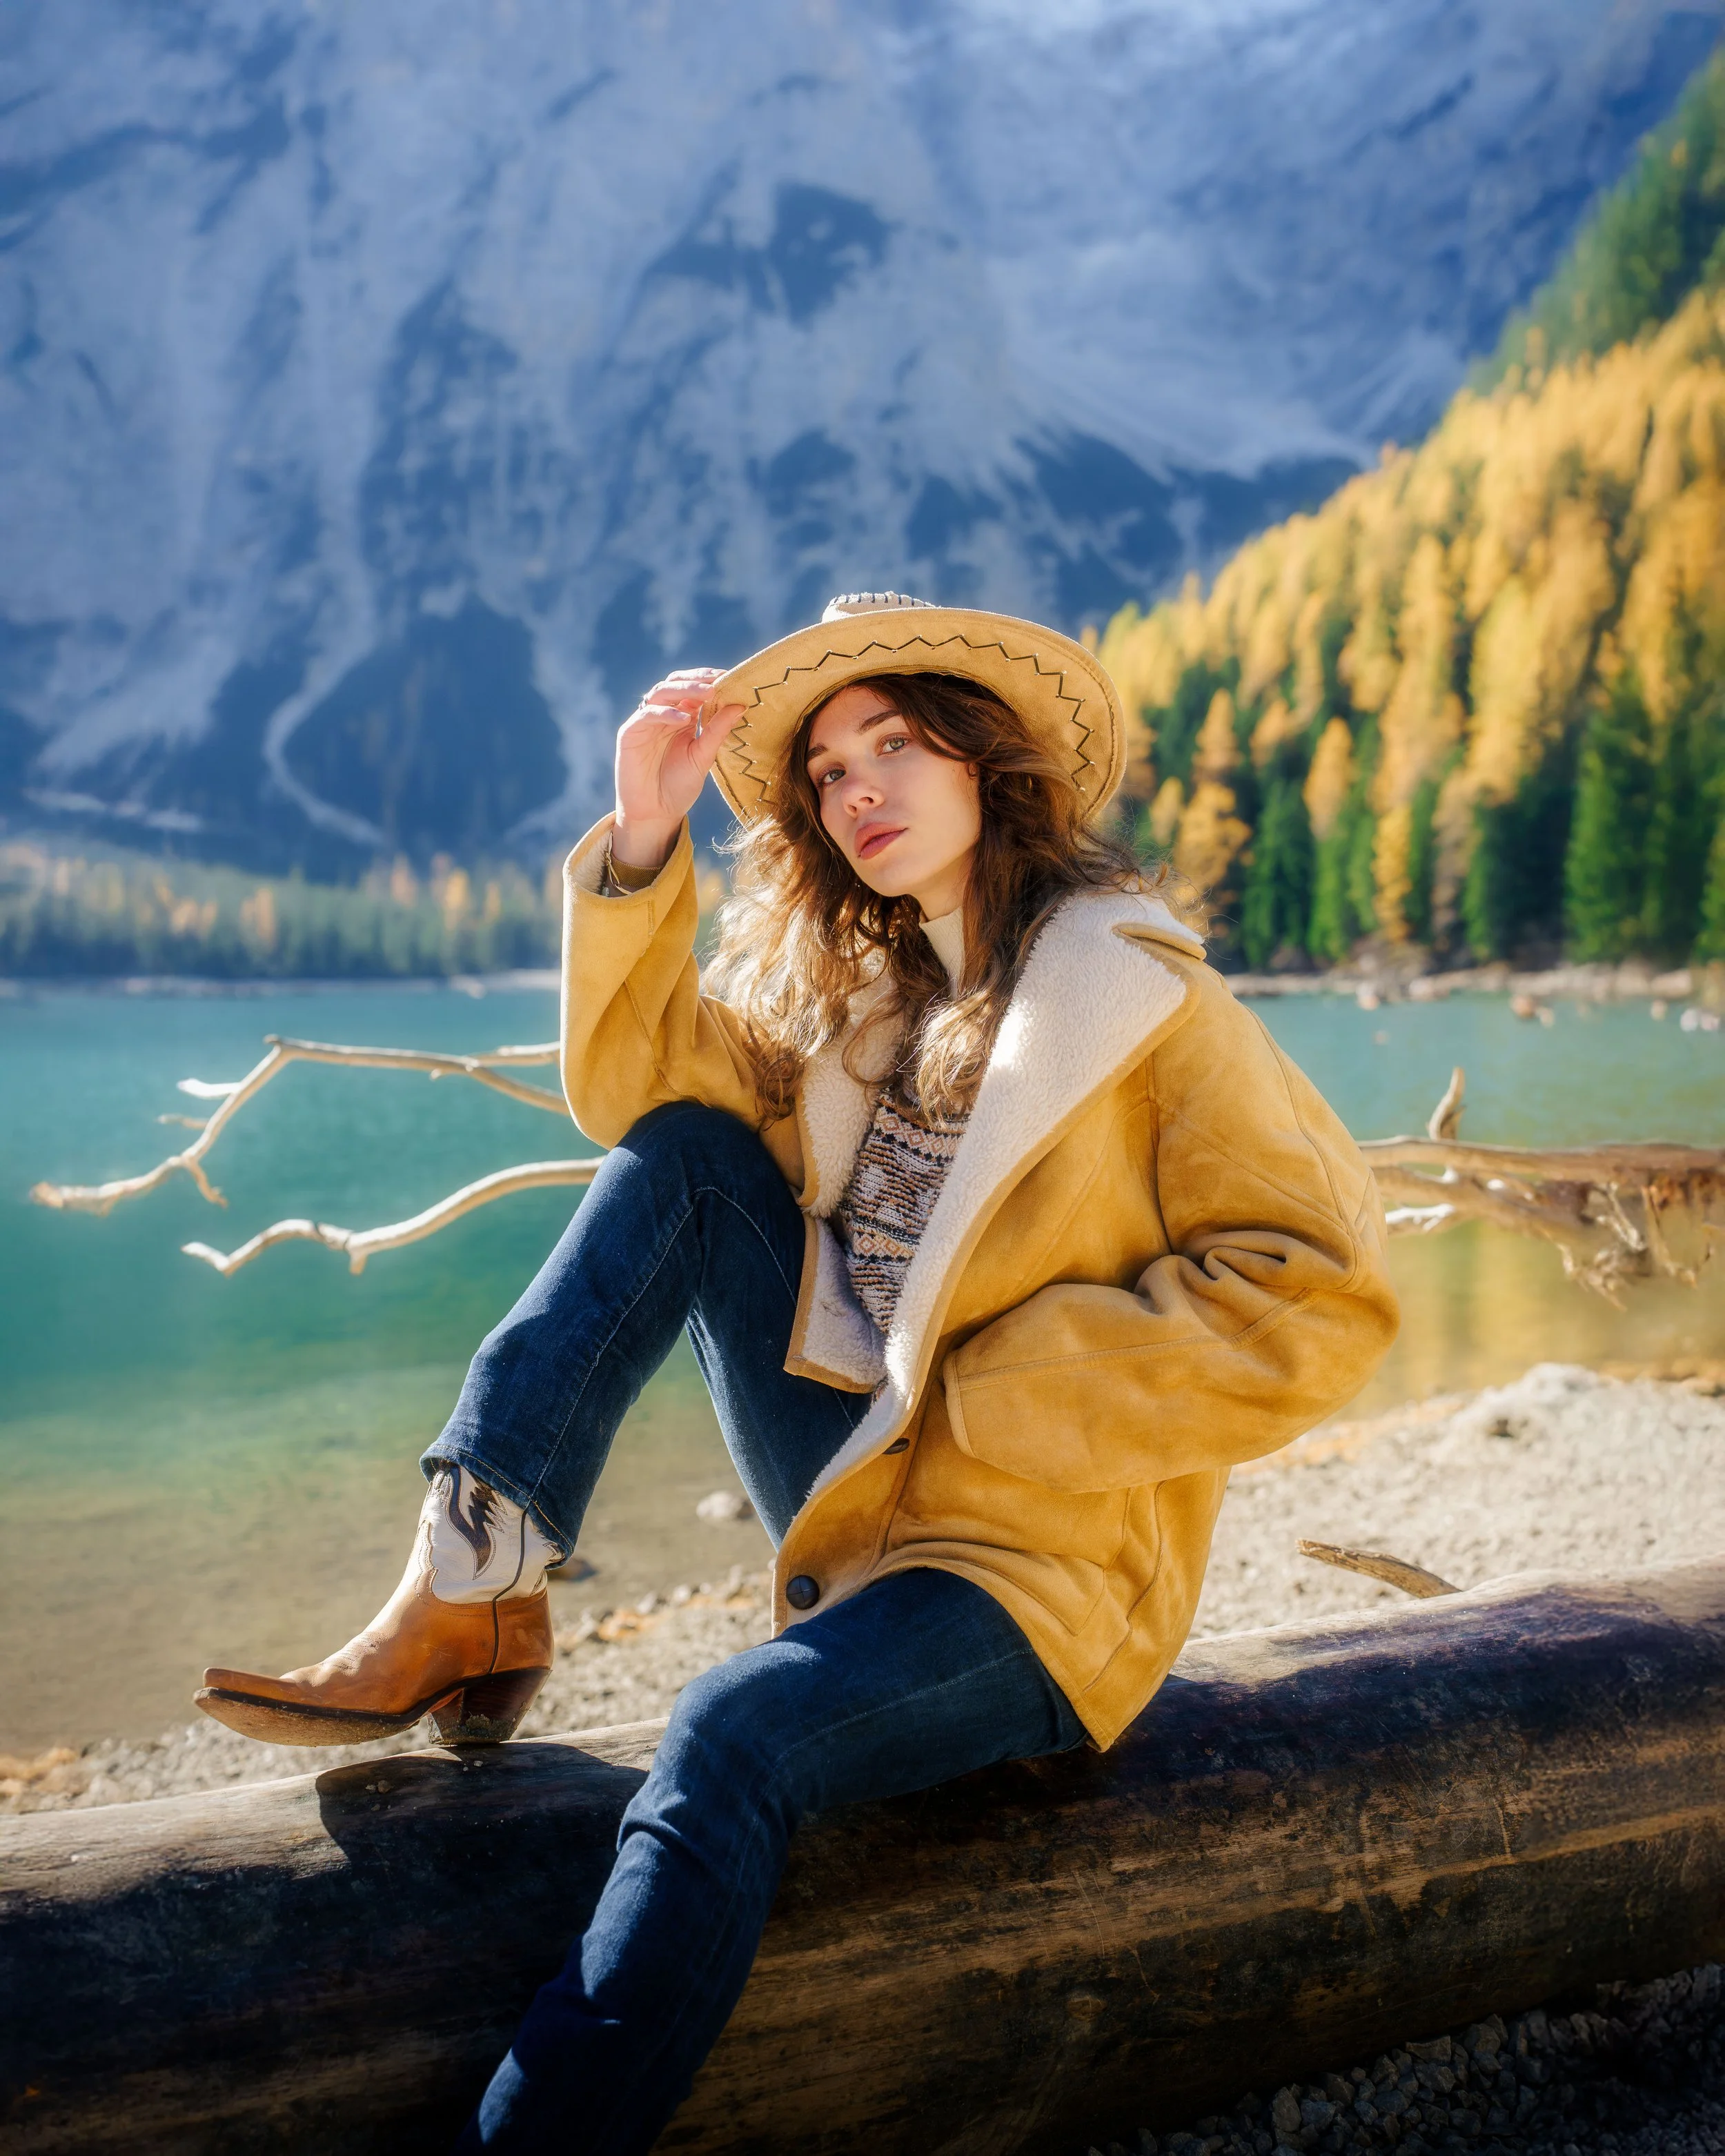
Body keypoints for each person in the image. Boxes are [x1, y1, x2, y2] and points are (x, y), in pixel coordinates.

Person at [194, 592, 1399, 2153]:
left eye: (894, 743)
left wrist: (1001, 1389)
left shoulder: (1144, 997)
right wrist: (640, 839)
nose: (858, 789)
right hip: (866, 1479)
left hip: (1037, 1566)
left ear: (987, 761)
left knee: (724, 1734)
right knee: (692, 1153)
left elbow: (1321, 1291)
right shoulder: (868, 998)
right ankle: (471, 1564)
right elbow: (634, 1093)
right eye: (829, 771)